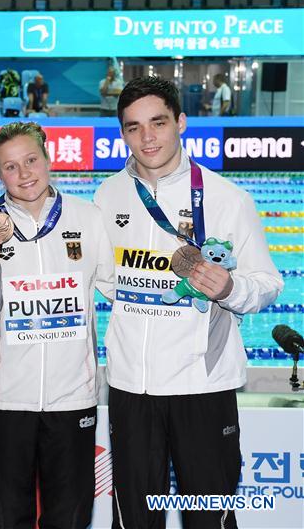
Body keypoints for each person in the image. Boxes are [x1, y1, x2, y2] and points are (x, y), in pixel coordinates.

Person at [94, 76, 283, 528]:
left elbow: (269, 283)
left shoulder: (227, 199)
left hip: (202, 385)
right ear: (123, 133)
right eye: (134, 127)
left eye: (158, 122)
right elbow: (105, 279)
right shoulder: (108, 195)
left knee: (208, 518)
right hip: (131, 388)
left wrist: (230, 289)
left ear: (180, 122)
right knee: (136, 519)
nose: (147, 137)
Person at [0, 121, 113, 528]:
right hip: (6, 402)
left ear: (48, 159)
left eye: (30, 160)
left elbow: (120, 290)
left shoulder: (89, 219)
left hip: (73, 400)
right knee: (7, 519)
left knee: (70, 519)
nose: (24, 174)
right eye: (10, 167)